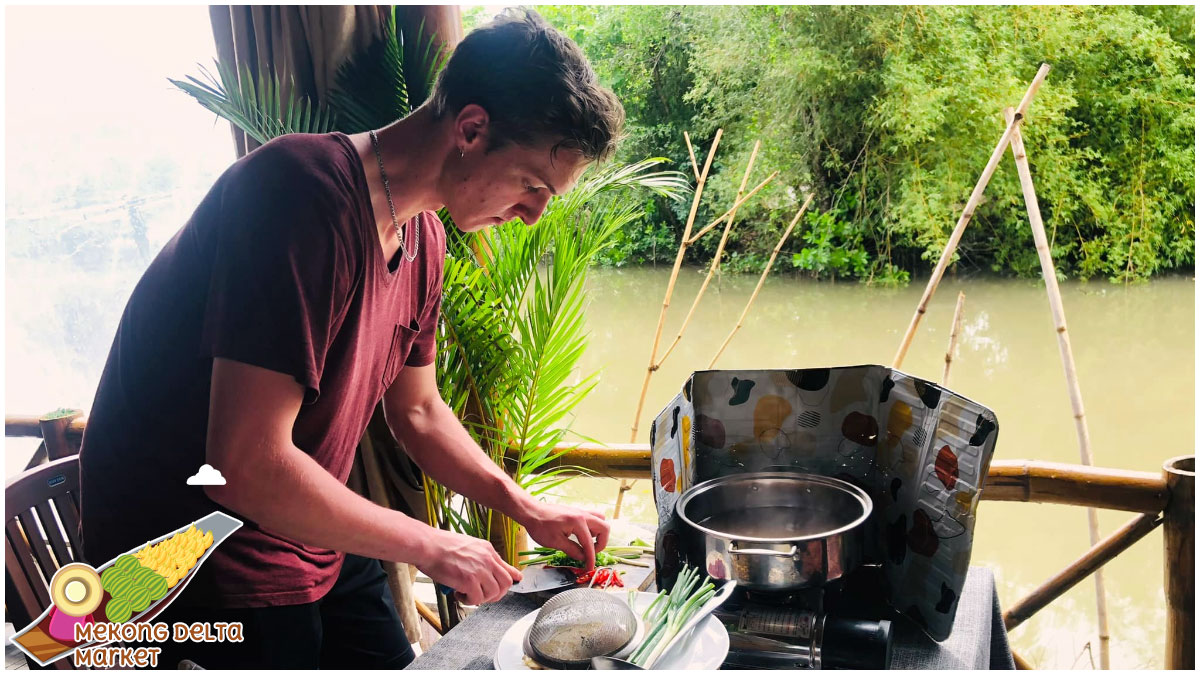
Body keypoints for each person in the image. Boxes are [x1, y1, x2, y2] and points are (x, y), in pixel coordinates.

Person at [78, 9, 624, 669]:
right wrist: (432, 544)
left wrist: (526, 507)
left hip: (298, 535)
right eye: (533, 186)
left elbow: (417, 411)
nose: (534, 214)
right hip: (189, 560)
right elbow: (243, 465)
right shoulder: (300, 194)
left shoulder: (422, 235)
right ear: (472, 129)